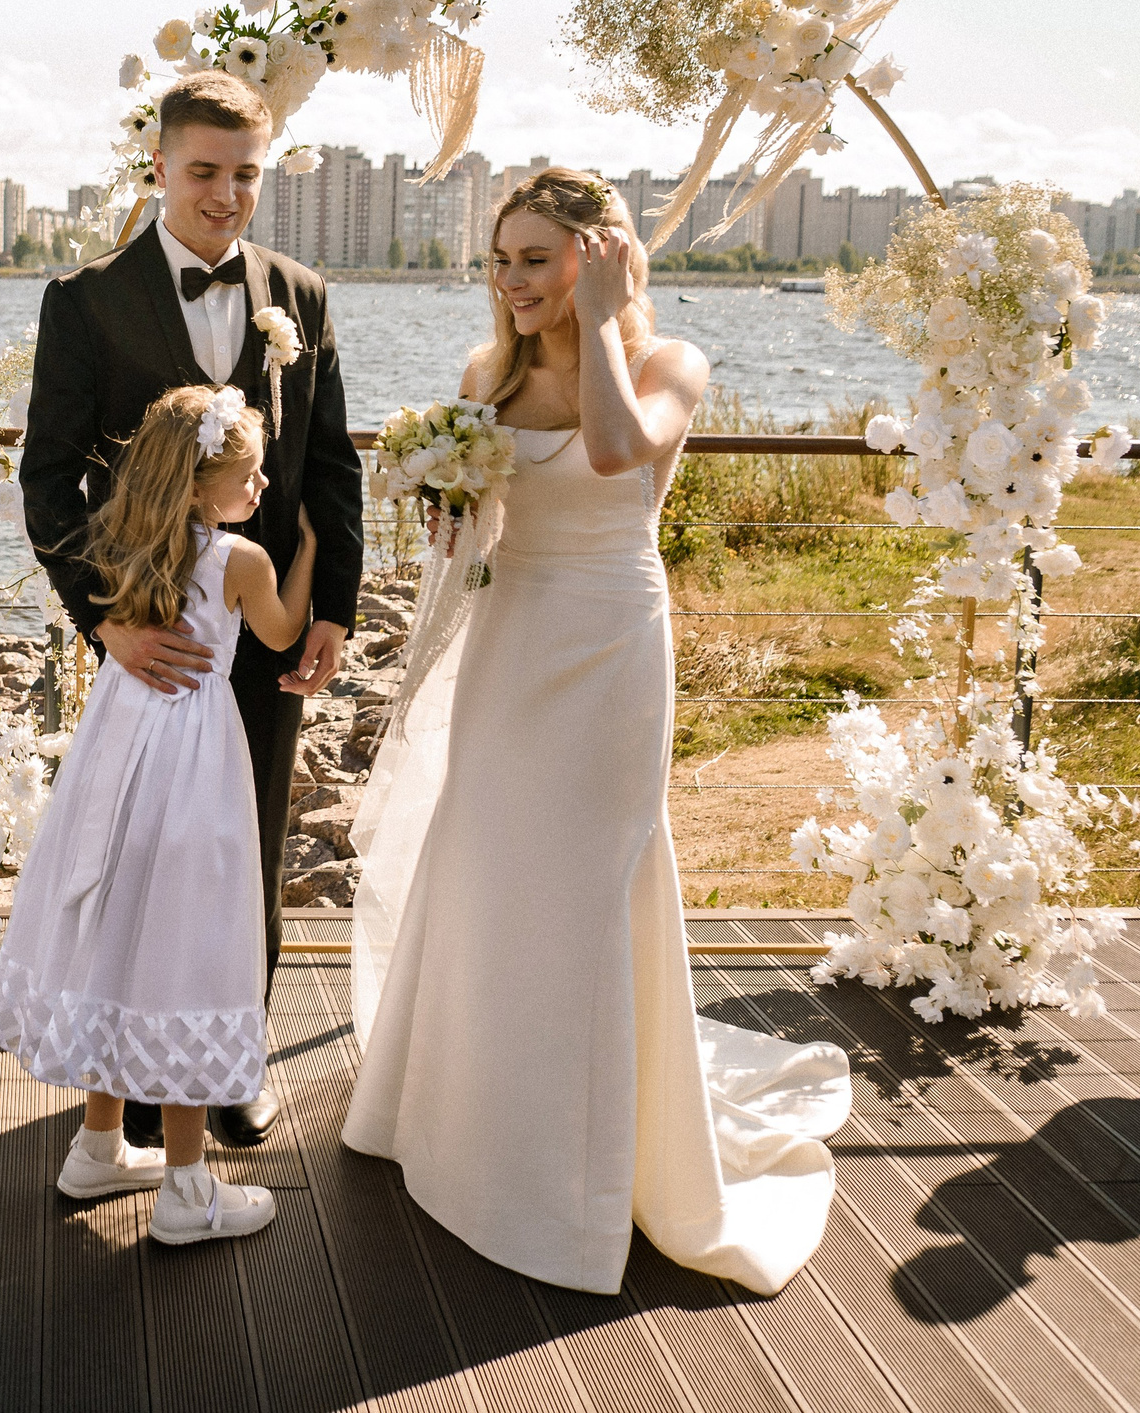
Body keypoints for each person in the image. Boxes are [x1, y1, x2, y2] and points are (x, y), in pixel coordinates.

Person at [341, 168, 853, 1296]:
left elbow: (621, 454)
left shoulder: (670, 365)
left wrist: (603, 322)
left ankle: (574, 1163)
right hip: (512, 633)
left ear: (597, 257)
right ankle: (458, 1115)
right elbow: (476, 531)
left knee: (584, 877)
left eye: (536, 257)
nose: (512, 280)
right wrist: (444, 495)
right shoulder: (489, 371)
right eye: (500, 258)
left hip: (610, 642)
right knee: (485, 861)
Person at [22, 70, 365, 1149]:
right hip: (150, 651)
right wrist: (105, 623)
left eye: (245, 174)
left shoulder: (299, 294)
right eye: (204, 171)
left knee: (245, 852)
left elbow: (332, 465)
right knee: (140, 855)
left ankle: (232, 1061)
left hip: (257, 639)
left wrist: (334, 609)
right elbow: (48, 479)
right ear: (159, 166)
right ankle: (118, 1073)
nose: (225, 195)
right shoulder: (85, 300)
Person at [0, 383, 317, 1243]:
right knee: (185, 940)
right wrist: (310, 551)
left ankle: (99, 1146)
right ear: (207, 483)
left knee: (118, 924)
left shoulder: (125, 540)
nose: (262, 488)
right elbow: (281, 635)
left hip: (116, 744)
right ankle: (187, 1189)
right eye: (250, 474)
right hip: (193, 756)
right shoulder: (242, 560)